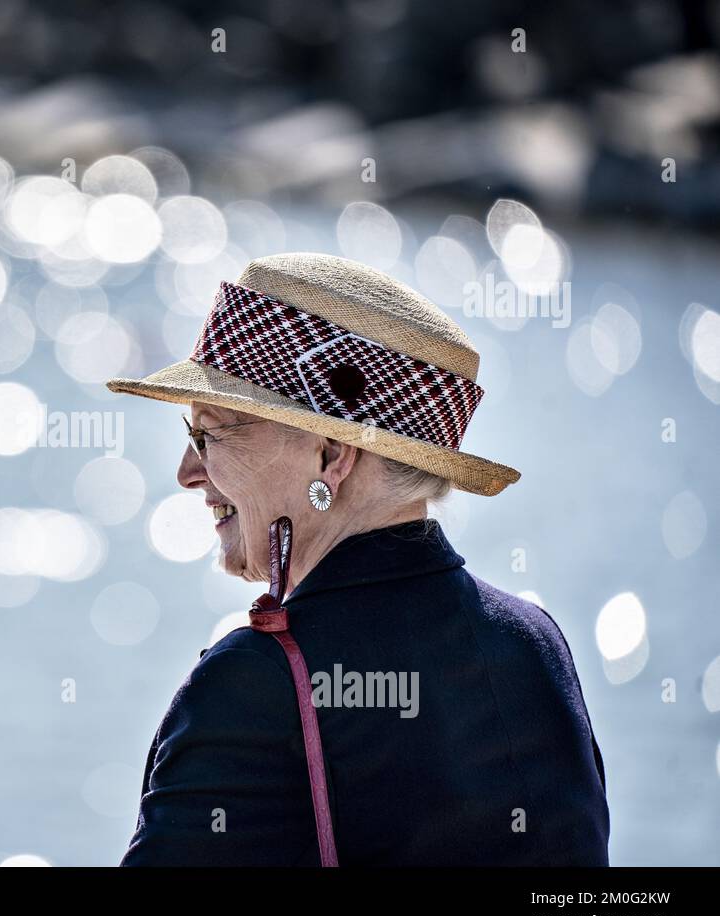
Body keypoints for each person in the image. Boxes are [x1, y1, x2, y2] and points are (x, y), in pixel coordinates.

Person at [105, 253, 610, 865]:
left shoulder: (254, 684)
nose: (188, 473)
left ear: (330, 456)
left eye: (210, 434)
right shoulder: (537, 646)